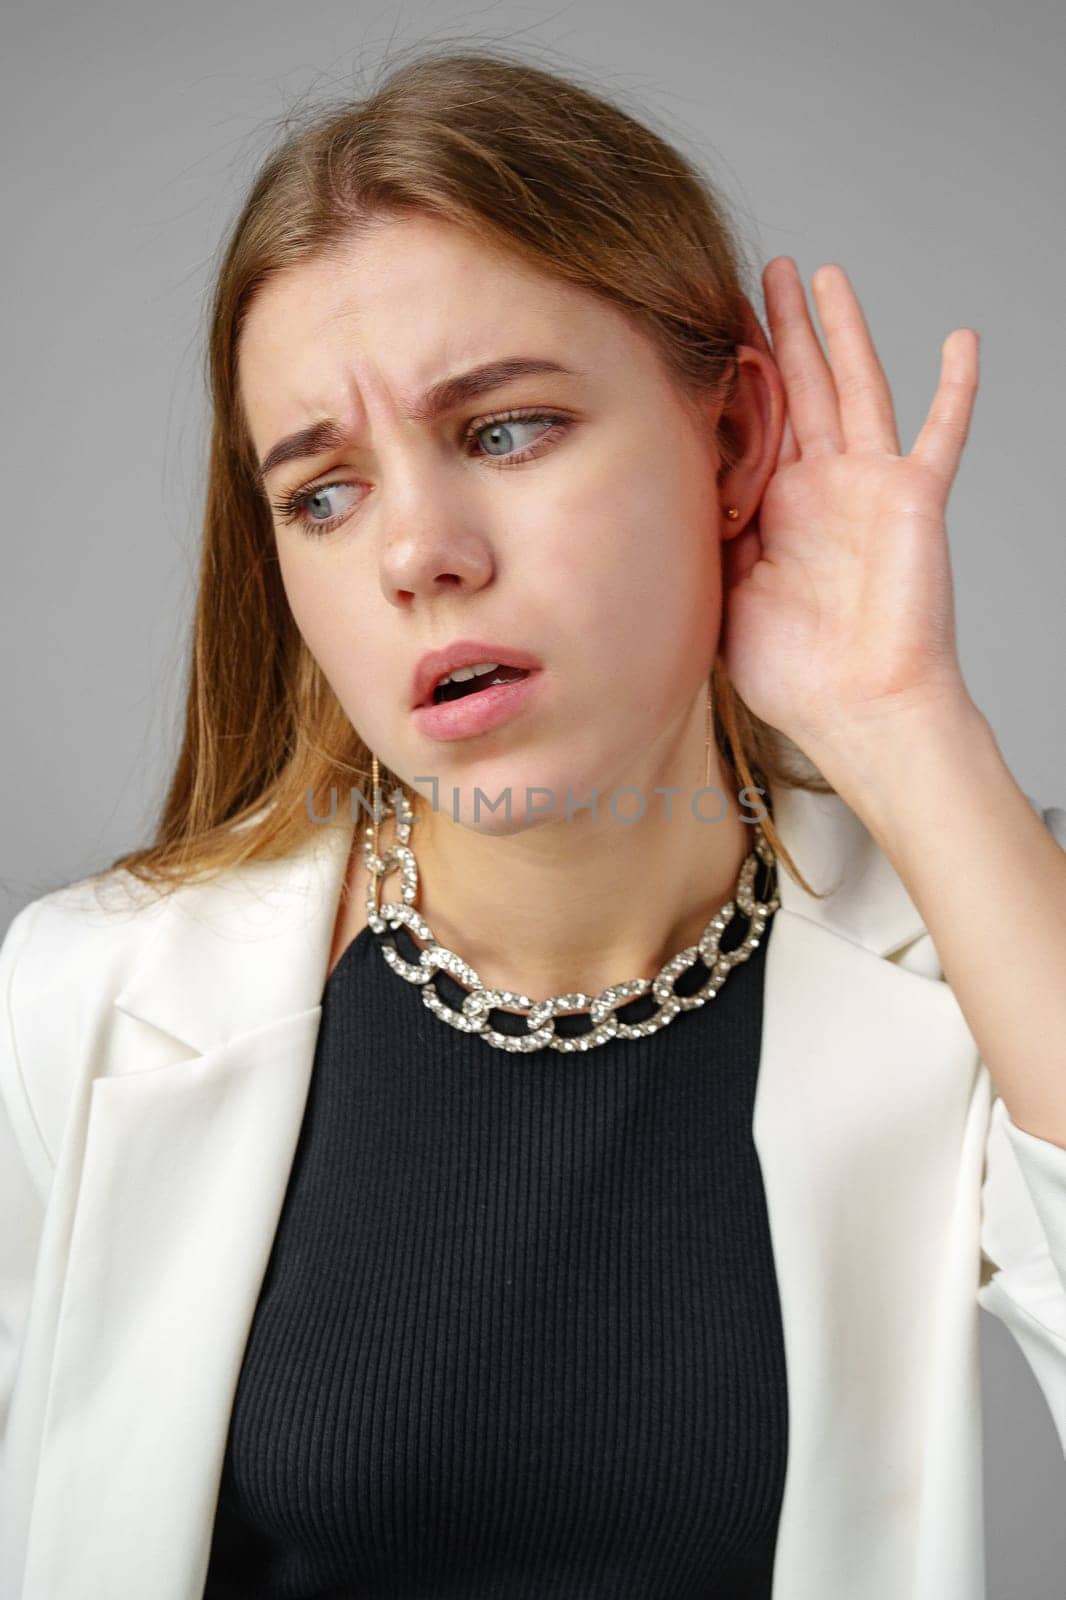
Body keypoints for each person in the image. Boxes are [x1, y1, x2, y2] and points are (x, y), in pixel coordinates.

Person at [1, 44, 1064, 1600]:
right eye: (321, 492)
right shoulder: (87, 998)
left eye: (503, 430)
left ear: (733, 441)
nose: (418, 552)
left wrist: (903, 726)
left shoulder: (970, 953)